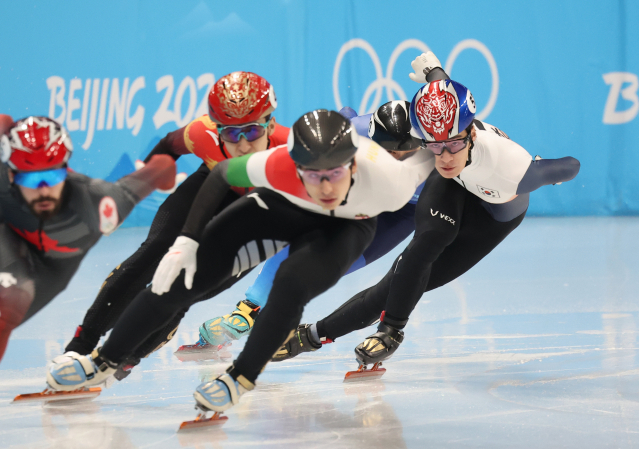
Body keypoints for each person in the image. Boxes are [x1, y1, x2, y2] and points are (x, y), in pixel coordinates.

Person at [46, 109, 434, 416]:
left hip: (349, 225)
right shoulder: (277, 162)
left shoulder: (392, 180)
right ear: (296, 166)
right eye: (313, 175)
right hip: (286, 208)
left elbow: (437, 154)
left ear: (352, 165)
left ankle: (239, 379)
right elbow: (218, 177)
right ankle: (102, 360)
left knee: (290, 287)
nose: (326, 187)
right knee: (180, 280)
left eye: (334, 174)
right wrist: (186, 239)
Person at [272, 52, 581, 370]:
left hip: (493, 215)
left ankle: (320, 334)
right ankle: (377, 332)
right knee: (418, 254)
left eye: (454, 145)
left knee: (395, 288)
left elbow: (572, 166)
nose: (445, 156)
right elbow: (441, 90)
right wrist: (435, 70)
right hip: (455, 186)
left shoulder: (513, 168)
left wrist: (548, 171)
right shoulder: (437, 130)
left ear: (472, 133)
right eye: (433, 145)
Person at [61, 72, 288, 364]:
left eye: (253, 132)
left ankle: (124, 361)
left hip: (260, 211)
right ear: (216, 128)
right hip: (212, 187)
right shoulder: (199, 133)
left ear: (270, 123)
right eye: (231, 133)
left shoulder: (292, 150)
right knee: (150, 256)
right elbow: (167, 148)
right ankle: (79, 346)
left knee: (188, 287)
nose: (243, 145)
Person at [187, 99, 428, 352]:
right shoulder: (353, 132)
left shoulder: (438, 153)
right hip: (356, 191)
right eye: (384, 150)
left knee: (328, 264)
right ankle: (249, 310)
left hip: (402, 212)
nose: (391, 160)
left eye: (403, 152)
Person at [0, 115, 177, 362]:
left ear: (65, 170)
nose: (43, 190)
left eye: (52, 177)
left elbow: (160, 167)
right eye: (29, 178)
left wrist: (164, 172)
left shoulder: (95, 204)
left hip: (48, 268)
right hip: (7, 235)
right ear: (10, 175)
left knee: (8, 303)